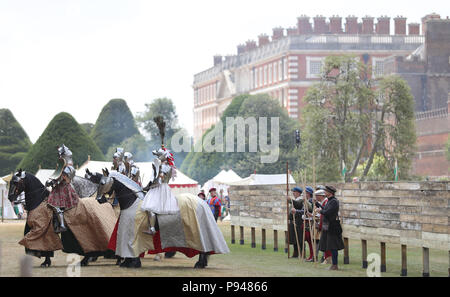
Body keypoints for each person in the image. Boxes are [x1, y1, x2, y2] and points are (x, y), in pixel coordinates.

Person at [141, 146, 178, 235]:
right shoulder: (166, 166)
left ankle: (152, 229)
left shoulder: (164, 167)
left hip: (160, 188)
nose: (157, 157)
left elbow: (159, 180)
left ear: (162, 156)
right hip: (163, 187)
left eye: (158, 156)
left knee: (150, 207)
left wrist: (147, 187)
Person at [45, 145, 79, 233]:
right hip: (58, 188)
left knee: (55, 205)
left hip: (64, 188)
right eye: (59, 155)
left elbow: (64, 178)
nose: (59, 156)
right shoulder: (61, 165)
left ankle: (62, 225)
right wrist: (50, 181)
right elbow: (56, 175)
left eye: (61, 155)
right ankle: (55, 223)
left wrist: (54, 182)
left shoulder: (69, 167)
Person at [314, 185, 344, 270]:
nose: (324, 192)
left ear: (330, 193)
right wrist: (317, 204)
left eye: (326, 191)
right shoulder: (330, 201)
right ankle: (334, 265)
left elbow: (328, 212)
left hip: (332, 227)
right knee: (330, 246)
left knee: (333, 246)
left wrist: (320, 211)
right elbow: (326, 209)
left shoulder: (334, 201)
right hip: (328, 226)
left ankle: (335, 265)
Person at [287, 187, 312, 258]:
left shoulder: (301, 200)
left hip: (298, 221)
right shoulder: (297, 199)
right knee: (294, 238)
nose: (293, 193)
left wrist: (290, 200)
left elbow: (297, 205)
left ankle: (302, 253)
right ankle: (295, 253)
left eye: (294, 192)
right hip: (293, 221)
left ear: (298, 192)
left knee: (299, 239)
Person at [314, 189, 331, 264]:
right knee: (324, 242)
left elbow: (325, 212)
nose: (316, 197)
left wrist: (319, 210)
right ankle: (326, 258)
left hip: (327, 224)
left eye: (317, 195)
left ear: (321, 196)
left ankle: (328, 258)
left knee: (327, 242)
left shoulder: (326, 202)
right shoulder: (323, 202)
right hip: (323, 224)